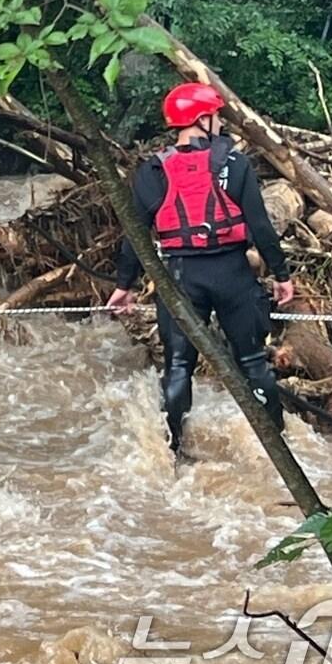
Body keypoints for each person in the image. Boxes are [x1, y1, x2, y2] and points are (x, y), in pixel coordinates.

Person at [107, 82, 295, 458]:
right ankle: (277, 449)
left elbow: (136, 235)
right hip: (233, 273)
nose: (220, 125)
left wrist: (124, 285)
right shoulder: (234, 163)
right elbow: (260, 226)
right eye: (215, 117)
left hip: (179, 278)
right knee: (254, 363)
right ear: (201, 119)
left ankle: (174, 453)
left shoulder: (152, 171)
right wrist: (281, 274)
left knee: (178, 366)